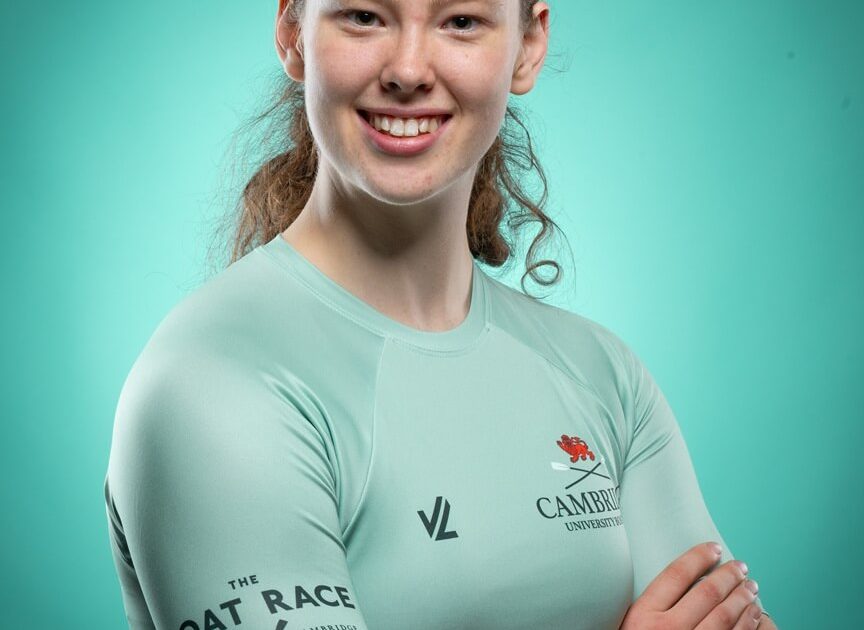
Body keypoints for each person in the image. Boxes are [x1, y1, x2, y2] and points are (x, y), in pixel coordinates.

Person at [103, 1, 777, 628]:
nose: (407, 69)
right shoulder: (212, 383)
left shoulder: (603, 374)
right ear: (292, 31)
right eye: (364, 15)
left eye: (460, 20)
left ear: (528, 46)